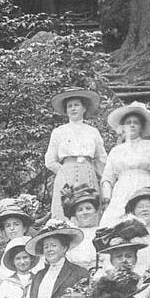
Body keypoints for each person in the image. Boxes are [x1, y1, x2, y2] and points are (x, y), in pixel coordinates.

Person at [44, 87, 107, 222]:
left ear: (84, 108)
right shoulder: (59, 131)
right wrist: (64, 172)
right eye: (69, 106)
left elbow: (102, 158)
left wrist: (94, 171)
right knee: (66, 214)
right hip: (67, 176)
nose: (73, 109)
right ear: (66, 110)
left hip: (88, 176)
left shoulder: (93, 132)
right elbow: (50, 161)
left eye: (76, 105)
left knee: (89, 210)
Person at [99, 102, 150, 228]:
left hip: (146, 187)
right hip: (122, 190)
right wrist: (107, 198)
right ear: (123, 126)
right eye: (128, 122)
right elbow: (107, 177)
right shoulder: (116, 150)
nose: (132, 125)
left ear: (142, 126)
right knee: (113, 222)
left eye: (136, 122)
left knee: (148, 220)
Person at [23, 217, 89, 298]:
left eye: (54, 245)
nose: (49, 250)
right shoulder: (38, 275)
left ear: (64, 248)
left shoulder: (79, 272)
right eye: (46, 247)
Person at [61, 183, 102, 271]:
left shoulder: (103, 233)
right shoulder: (72, 234)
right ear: (75, 215)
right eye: (80, 210)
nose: (85, 212)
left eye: (88, 208)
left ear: (95, 211)